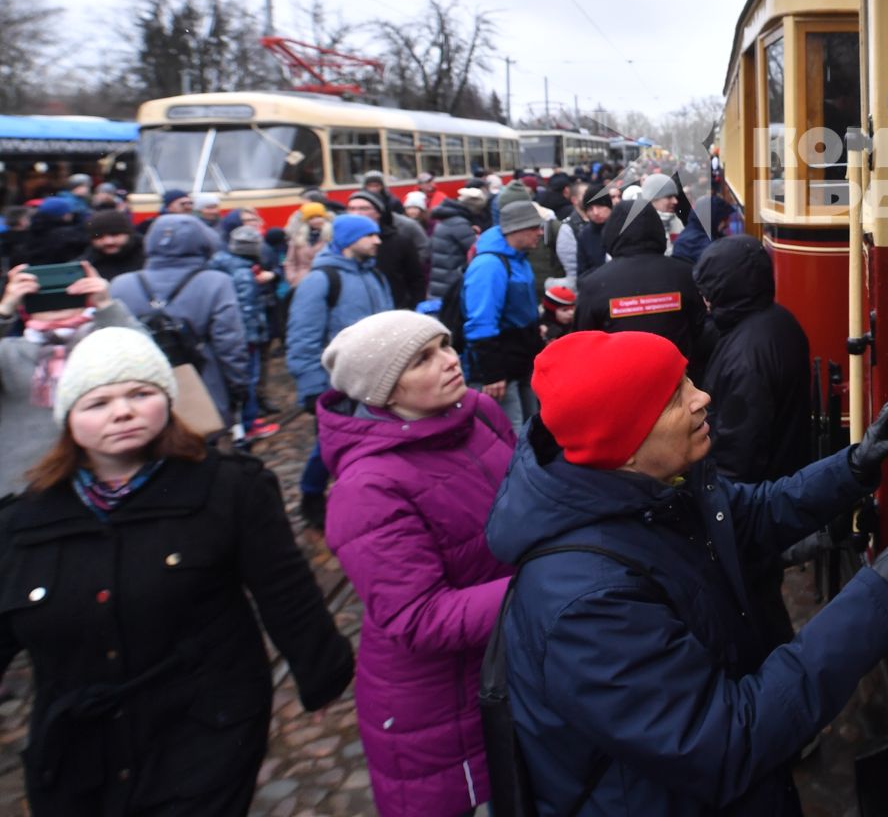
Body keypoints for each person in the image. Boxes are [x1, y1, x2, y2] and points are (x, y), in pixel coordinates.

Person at [484, 332, 888, 817]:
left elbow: (752, 514)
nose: (702, 398)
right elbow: (727, 741)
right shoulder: (586, 604)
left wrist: (851, 468)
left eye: (687, 379)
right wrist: (876, 598)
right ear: (626, 444)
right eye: (676, 396)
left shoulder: (654, 487)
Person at [0, 327, 354, 815]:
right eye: (98, 402)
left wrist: (324, 675)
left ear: (166, 400)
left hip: (202, 733)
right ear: (69, 417)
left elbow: (286, 592)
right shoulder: (22, 522)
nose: (122, 411)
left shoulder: (229, 489)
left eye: (140, 394)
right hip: (76, 755)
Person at [317, 311, 515, 816]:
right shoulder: (367, 490)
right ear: (382, 391)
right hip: (442, 702)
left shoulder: (477, 411)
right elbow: (419, 618)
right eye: (422, 359)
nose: (449, 361)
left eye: (445, 346)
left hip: (514, 658)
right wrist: (545, 584)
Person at [690, 236, 815, 649]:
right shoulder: (777, 321)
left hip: (750, 503)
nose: (706, 302)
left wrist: (718, 508)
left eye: (710, 292)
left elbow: (739, 448)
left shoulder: (747, 352)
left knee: (756, 602)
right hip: (774, 481)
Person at [285, 213, 394, 527]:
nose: (377, 240)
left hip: (375, 380)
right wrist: (311, 386)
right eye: (369, 235)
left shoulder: (375, 275)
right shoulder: (321, 280)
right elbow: (302, 337)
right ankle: (311, 494)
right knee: (328, 447)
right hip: (336, 383)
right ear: (348, 241)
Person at [0, 261, 143, 494]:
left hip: (108, 479)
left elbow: (148, 358)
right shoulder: (9, 351)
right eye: (43, 294)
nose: (56, 302)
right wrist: (5, 307)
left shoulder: (108, 342)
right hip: (27, 483)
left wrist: (105, 304)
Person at [108, 214, 251, 432]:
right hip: (203, 379)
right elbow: (230, 342)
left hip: (140, 384)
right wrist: (238, 386)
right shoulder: (216, 282)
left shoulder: (121, 284)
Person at [576, 199, 707, 376]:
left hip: (621, 382)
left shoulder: (594, 285)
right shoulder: (683, 274)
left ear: (612, 232)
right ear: (657, 230)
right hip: (677, 381)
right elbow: (699, 326)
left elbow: (583, 341)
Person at [462, 199, 544, 432]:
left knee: (531, 427)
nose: (540, 233)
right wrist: (492, 373)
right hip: (500, 370)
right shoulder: (489, 265)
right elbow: (480, 322)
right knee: (512, 432)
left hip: (521, 362)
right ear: (515, 229)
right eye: (534, 227)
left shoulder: (518, 258)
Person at [214, 225, 278, 442]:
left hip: (231, 336)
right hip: (245, 337)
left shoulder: (221, 262)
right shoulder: (243, 273)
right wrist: (254, 337)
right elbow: (246, 309)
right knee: (249, 377)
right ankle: (249, 424)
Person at [347, 190, 427, 313]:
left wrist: (412, 309)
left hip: (397, 312)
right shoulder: (341, 243)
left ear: (379, 212)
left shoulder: (400, 242)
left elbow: (416, 280)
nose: (356, 213)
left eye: (364, 208)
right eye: (351, 208)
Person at [555, 181, 614, 282]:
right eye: (590, 208)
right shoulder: (584, 235)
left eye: (600, 206)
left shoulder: (622, 229)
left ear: (609, 207)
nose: (595, 212)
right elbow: (580, 272)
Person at [428, 192, 481, 301]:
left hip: (440, 281)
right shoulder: (459, 224)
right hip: (452, 280)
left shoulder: (444, 222)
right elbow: (476, 249)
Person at [283, 201, 334, 292]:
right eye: (311, 218)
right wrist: (292, 277)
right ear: (307, 221)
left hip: (328, 278)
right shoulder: (298, 237)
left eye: (319, 217)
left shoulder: (332, 236)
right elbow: (290, 261)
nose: (316, 220)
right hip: (301, 281)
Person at [83, 208, 145, 282]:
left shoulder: (149, 257)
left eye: (114, 234)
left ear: (128, 234)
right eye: (99, 237)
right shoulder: (86, 265)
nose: (108, 242)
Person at [539, 278, 576, 345]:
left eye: (572, 309)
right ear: (551, 311)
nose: (571, 313)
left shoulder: (574, 324)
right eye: (565, 310)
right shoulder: (542, 330)